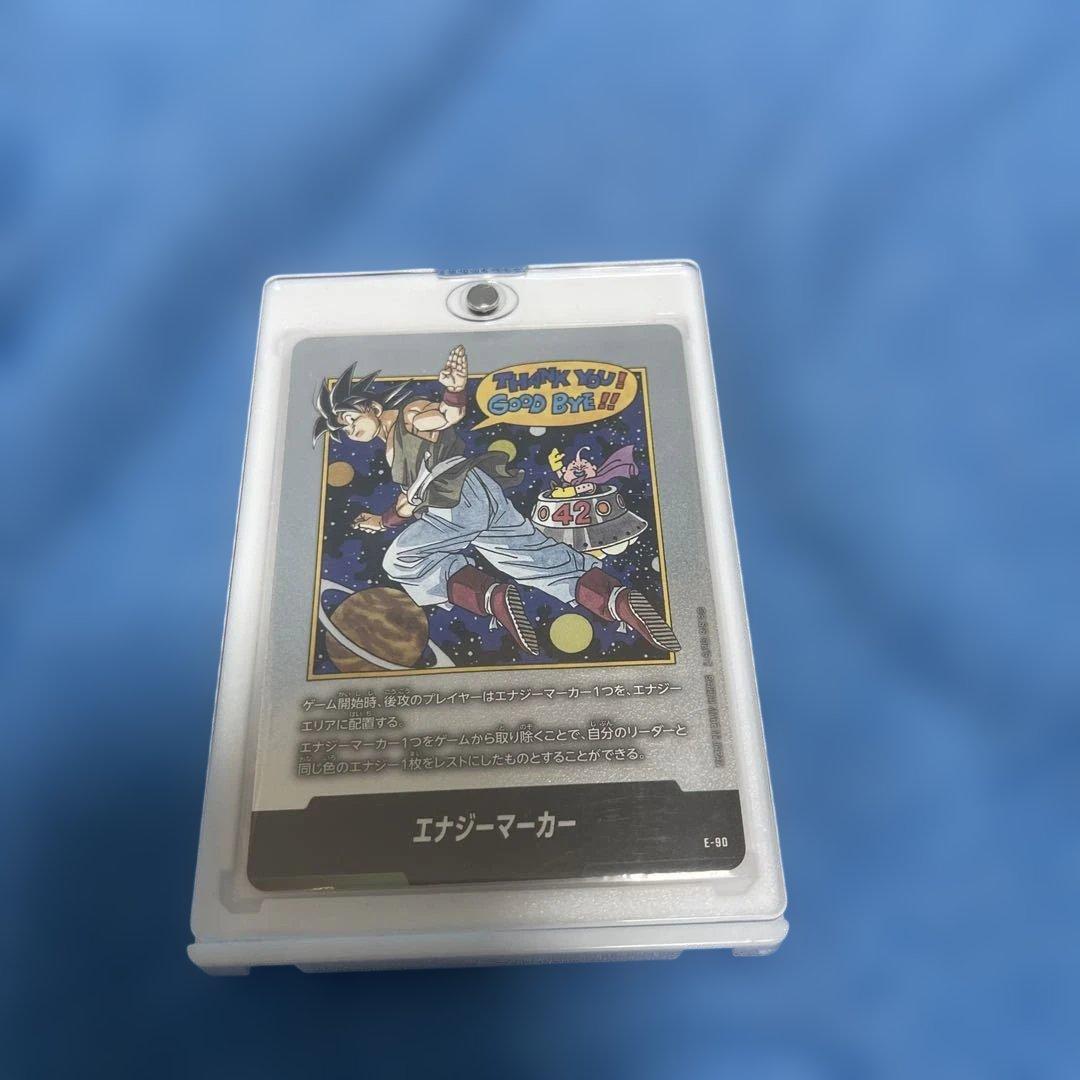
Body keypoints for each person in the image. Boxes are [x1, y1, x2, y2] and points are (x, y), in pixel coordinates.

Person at [313, 345, 680, 655]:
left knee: (402, 559)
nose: (350, 430)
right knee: (535, 559)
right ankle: (618, 601)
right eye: (343, 429)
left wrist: (455, 391)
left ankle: (490, 597)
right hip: (480, 492)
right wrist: (383, 520)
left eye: (350, 418)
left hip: (456, 501)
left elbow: (444, 417)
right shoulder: (391, 443)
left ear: (372, 407)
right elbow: (408, 503)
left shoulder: (408, 418)